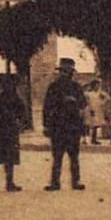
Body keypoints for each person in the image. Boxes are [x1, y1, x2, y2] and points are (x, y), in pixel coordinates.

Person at [42, 57, 88, 191]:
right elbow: (47, 107)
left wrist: (74, 101)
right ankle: (56, 182)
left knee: (73, 156)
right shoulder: (54, 87)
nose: (65, 74)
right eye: (63, 71)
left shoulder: (76, 87)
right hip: (58, 126)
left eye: (68, 72)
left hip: (72, 126)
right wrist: (46, 125)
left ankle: (75, 181)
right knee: (57, 156)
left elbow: (83, 104)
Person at [0, 73, 27, 194]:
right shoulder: (8, 99)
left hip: (0, 133)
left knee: (2, 160)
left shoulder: (0, 99)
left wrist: (19, 123)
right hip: (3, 132)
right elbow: (22, 115)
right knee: (2, 160)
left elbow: (22, 114)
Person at [83, 78, 111, 146]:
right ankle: (85, 139)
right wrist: (88, 108)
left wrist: (102, 102)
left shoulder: (99, 94)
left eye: (99, 85)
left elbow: (108, 98)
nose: (98, 87)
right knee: (87, 125)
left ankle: (94, 139)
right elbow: (85, 101)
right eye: (97, 85)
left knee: (95, 125)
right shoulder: (87, 93)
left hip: (97, 109)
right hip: (89, 109)